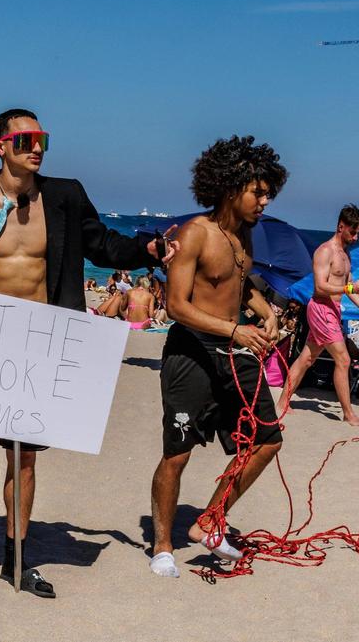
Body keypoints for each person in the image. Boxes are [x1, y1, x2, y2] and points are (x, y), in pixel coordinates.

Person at [0, 108, 175, 603]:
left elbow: (103, 245)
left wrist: (150, 248)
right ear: (0, 146)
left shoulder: (63, 196)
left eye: (43, 139)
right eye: (25, 139)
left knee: (26, 458)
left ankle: (17, 561)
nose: (36, 147)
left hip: (38, 346)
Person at [148, 134, 287, 579]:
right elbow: (177, 305)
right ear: (232, 188)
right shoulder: (195, 234)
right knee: (178, 453)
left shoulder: (244, 235)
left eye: (268, 193)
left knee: (267, 440)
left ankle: (209, 520)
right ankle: (162, 544)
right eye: (258, 192)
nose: (264, 201)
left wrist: (265, 313)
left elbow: (238, 285)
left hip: (236, 349)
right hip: (191, 352)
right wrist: (235, 329)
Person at [277, 205, 359, 426]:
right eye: (353, 232)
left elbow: (348, 286)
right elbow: (320, 287)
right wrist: (350, 290)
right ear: (341, 226)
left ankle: (283, 401)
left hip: (332, 311)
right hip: (321, 309)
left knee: (307, 358)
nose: (356, 237)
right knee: (343, 359)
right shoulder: (325, 251)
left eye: (358, 232)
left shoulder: (345, 254)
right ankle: (348, 413)